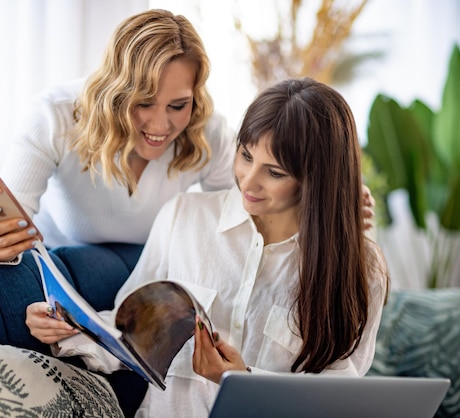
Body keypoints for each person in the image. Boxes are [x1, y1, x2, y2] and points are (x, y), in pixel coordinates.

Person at [25, 77, 390, 417]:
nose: (249, 180)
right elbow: (132, 334)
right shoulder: (185, 216)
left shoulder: (362, 266)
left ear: (318, 178)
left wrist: (244, 381)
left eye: (274, 172)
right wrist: (70, 329)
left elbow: (339, 393)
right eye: (245, 156)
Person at [0, 9, 376, 264]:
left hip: (153, 271)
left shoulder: (209, 131)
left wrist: (326, 207)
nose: (160, 126)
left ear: (195, 95)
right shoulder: (55, 116)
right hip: (64, 270)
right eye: (143, 102)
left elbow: (245, 219)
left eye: (177, 105)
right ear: (116, 89)